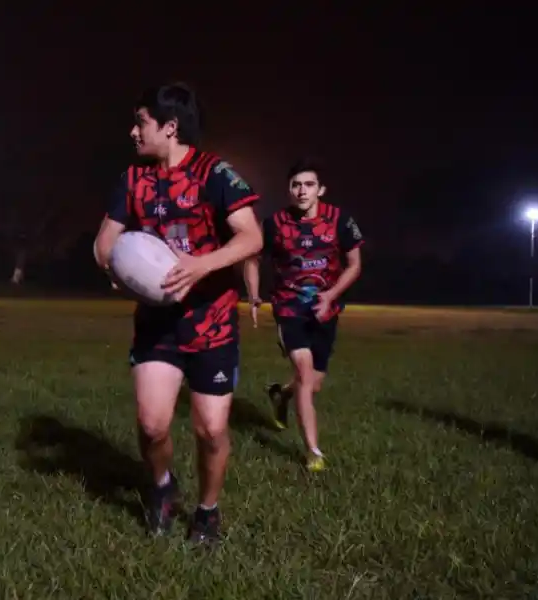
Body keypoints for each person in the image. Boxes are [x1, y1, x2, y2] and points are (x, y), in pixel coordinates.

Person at [93, 82, 263, 545]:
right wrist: (113, 266)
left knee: (210, 430)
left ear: (170, 127)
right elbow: (104, 240)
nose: (133, 131)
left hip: (212, 322)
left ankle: (207, 512)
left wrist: (200, 265)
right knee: (152, 425)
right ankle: (164, 488)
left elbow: (251, 238)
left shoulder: (215, 173)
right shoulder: (133, 179)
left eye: (141, 123)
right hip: (158, 324)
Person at [243, 158, 364, 472]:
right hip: (289, 309)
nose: (301, 190)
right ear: (289, 190)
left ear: (320, 189)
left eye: (309, 184)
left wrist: (331, 295)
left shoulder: (340, 220)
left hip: (327, 309)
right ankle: (313, 451)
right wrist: (254, 295)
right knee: (304, 373)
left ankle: (281, 395)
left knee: (313, 384)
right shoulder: (274, 224)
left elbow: (354, 265)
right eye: (296, 184)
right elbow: (252, 259)